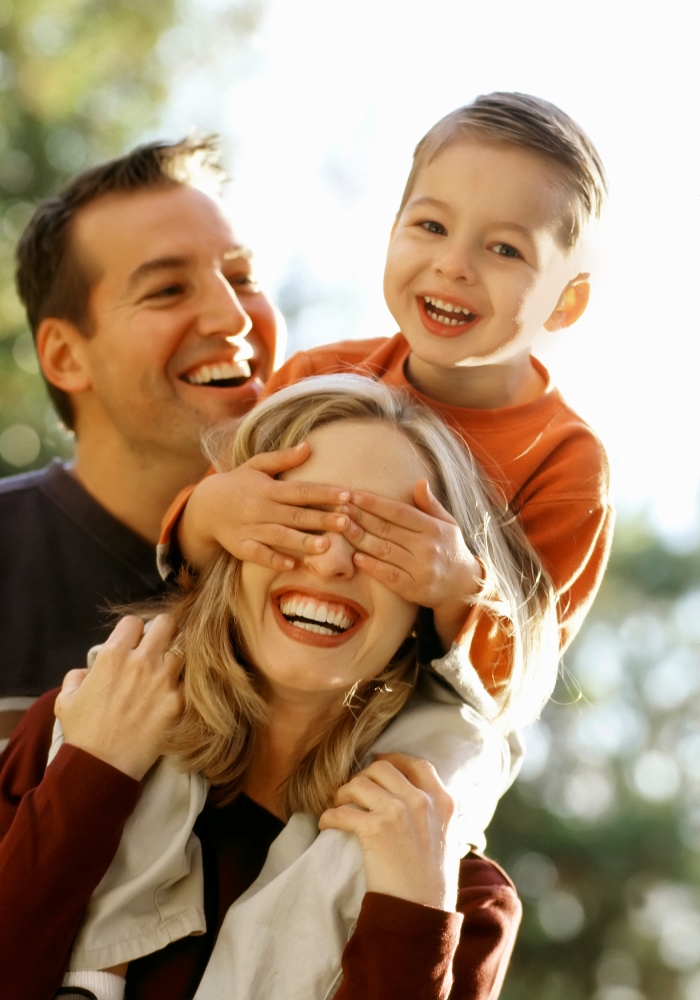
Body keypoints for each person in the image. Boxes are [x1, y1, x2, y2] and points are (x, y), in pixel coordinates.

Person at [0, 376, 557, 999]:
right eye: (295, 520)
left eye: (384, 541)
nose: (330, 561)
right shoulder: (75, 735)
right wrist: (89, 780)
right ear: (226, 549)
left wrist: (410, 922)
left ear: (426, 613)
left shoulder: (458, 895)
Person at [161, 92, 613, 701]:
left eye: (505, 248)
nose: (454, 264)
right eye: (431, 226)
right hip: (255, 676)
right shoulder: (319, 376)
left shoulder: (566, 460)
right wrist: (209, 514)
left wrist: (457, 588)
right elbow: (196, 558)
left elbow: (524, 677)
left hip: (414, 718)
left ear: (567, 303)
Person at [0, 137, 286, 744]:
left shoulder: (324, 570)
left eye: (243, 277)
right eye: (167, 290)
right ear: (65, 355)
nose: (233, 317)